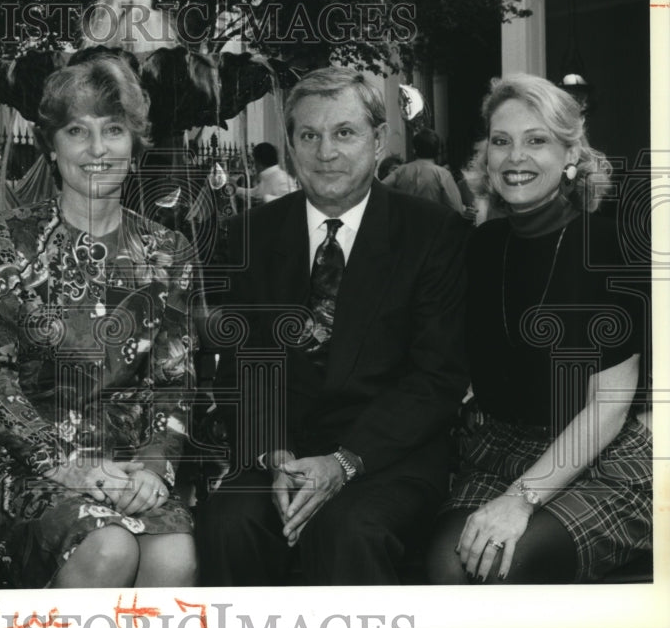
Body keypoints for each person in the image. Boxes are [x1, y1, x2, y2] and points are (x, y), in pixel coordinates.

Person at [197, 67, 469, 585]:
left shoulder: (432, 234)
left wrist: (343, 463)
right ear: (291, 145)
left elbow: (437, 377)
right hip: (279, 452)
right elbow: (240, 367)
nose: (326, 152)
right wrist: (270, 451)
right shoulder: (248, 236)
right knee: (227, 524)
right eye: (309, 135)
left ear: (377, 139)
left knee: (347, 530)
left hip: (389, 456)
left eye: (344, 132)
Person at [0, 55, 198, 588]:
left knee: (174, 556)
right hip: (11, 461)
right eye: (78, 131)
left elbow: (173, 385)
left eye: (114, 130)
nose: (99, 149)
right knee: (107, 548)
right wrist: (67, 466)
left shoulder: (169, 251)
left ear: (135, 142)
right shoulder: (7, 237)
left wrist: (152, 467)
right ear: (52, 146)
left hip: (124, 465)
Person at [426, 74, 651, 584]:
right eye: (501, 142)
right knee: (446, 565)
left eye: (537, 140)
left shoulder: (609, 249)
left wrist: (520, 500)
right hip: (496, 452)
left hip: (597, 456)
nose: (514, 157)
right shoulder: (480, 247)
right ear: (486, 157)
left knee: (509, 563)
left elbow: (609, 407)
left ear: (571, 153)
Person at [383, 128, 465, 214]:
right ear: (437, 150)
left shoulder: (401, 170)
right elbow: (457, 209)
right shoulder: (442, 174)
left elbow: (378, 190)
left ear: (414, 149)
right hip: (433, 224)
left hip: (405, 224)